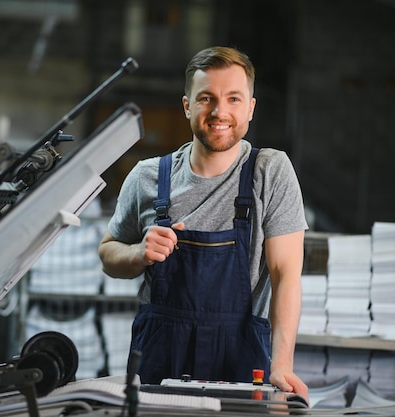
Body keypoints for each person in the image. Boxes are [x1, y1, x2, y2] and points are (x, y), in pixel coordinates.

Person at [98, 46, 309, 400]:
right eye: (206, 98)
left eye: (234, 99)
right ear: (187, 106)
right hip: (159, 364)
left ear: (251, 108)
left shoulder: (270, 172)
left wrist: (283, 364)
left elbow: (286, 274)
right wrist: (138, 253)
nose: (219, 111)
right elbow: (107, 254)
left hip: (242, 362)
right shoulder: (147, 177)